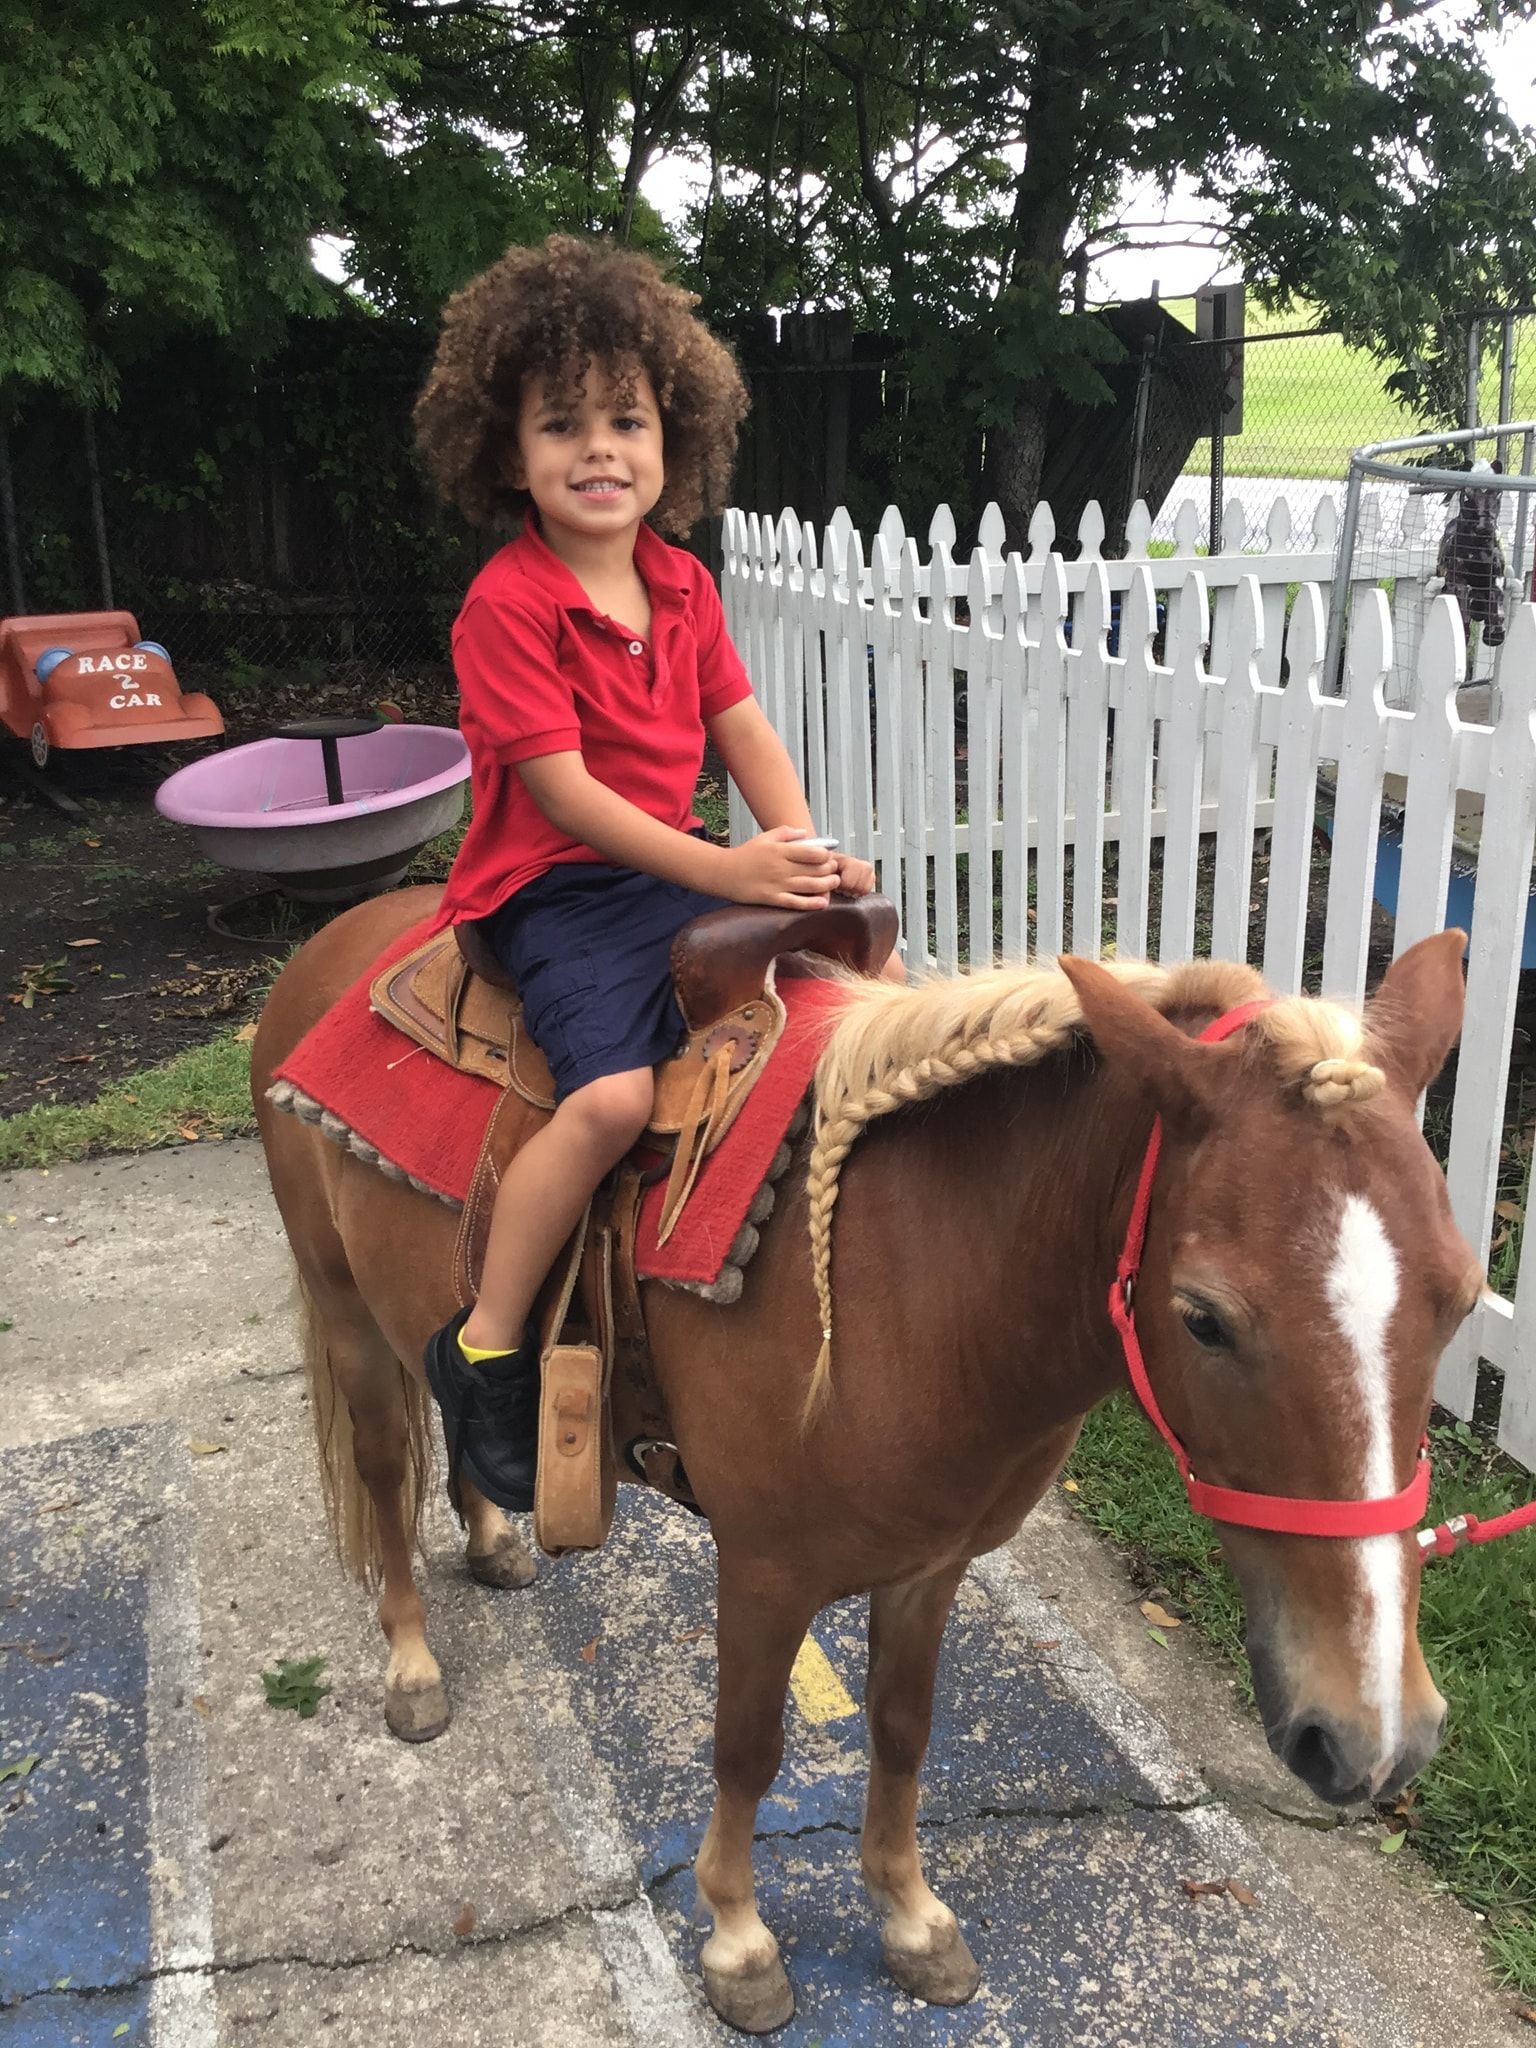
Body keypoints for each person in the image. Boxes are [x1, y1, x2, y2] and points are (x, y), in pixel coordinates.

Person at [411, 235, 902, 1514]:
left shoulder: (679, 582)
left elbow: (741, 727)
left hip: (672, 869)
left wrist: (801, 860)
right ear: (505, 451)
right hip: (553, 888)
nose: (599, 449)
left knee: (853, 991)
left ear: (672, 439)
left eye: (626, 419)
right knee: (615, 1100)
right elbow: (564, 794)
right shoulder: (506, 607)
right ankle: (485, 1343)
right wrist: (727, 860)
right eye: (561, 422)